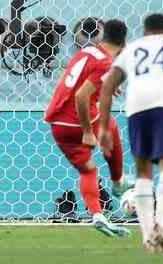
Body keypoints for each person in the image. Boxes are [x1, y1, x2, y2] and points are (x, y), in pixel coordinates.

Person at [97, 13, 163, 254]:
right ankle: (161, 226)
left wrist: (102, 127)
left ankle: (147, 237)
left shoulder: (132, 48)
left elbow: (107, 85)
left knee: (143, 172)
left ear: (145, 30)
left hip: (136, 108)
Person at [44, 19, 133, 238]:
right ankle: (118, 182)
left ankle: (97, 215)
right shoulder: (107, 64)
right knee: (110, 125)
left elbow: (79, 80)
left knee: (88, 169)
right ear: (124, 42)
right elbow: (81, 95)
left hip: (58, 124)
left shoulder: (87, 52)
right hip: (77, 120)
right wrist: (86, 131)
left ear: (103, 37)